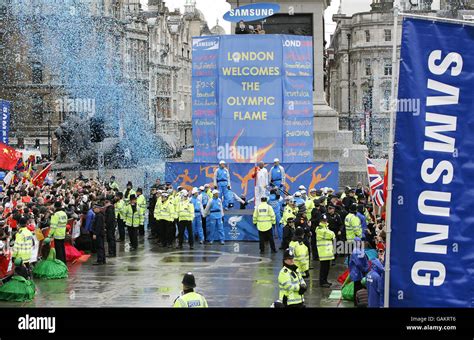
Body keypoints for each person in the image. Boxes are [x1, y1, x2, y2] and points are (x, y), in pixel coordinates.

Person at [316, 214, 336, 288]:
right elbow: (331, 235)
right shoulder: (319, 229)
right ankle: (322, 282)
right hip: (323, 253)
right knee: (323, 269)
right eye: (323, 221)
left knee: (327, 268)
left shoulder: (325, 228)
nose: (325, 222)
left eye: (325, 220)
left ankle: (325, 281)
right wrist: (332, 234)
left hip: (327, 252)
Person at [349, 237, 369, 306]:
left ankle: (357, 302)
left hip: (356, 272)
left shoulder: (357, 250)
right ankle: (357, 303)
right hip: (357, 273)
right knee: (358, 288)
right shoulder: (356, 251)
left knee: (357, 287)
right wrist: (365, 269)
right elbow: (358, 263)